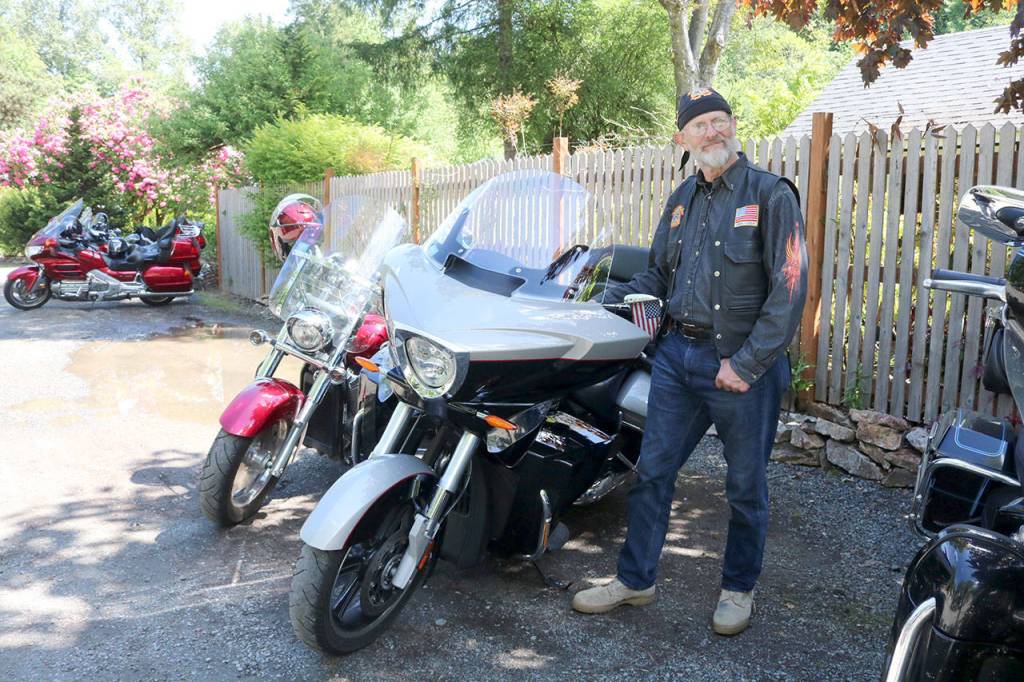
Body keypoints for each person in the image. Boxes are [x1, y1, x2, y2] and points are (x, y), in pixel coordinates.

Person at [571, 88, 808, 636]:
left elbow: (790, 289)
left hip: (740, 368)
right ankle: (635, 580)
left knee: (745, 487)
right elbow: (658, 274)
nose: (713, 132)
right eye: (700, 125)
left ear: (732, 126)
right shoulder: (681, 199)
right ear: (683, 138)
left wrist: (746, 365)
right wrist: (611, 301)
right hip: (678, 358)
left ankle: (738, 588)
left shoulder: (771, 194)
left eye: (720, 120)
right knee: (652, 473)